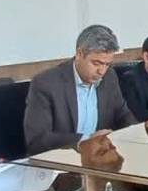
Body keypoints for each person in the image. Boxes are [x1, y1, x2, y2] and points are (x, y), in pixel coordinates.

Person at [23, 24, 136, 155]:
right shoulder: (46, 83)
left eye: (107, 64)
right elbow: (37, 140)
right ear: (79, 53)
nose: (102, 71)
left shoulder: (109, 77)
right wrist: (86, 140)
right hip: (60, 159)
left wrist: (136, 134)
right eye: (96, 63)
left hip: (99, 157)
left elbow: (123, 114)